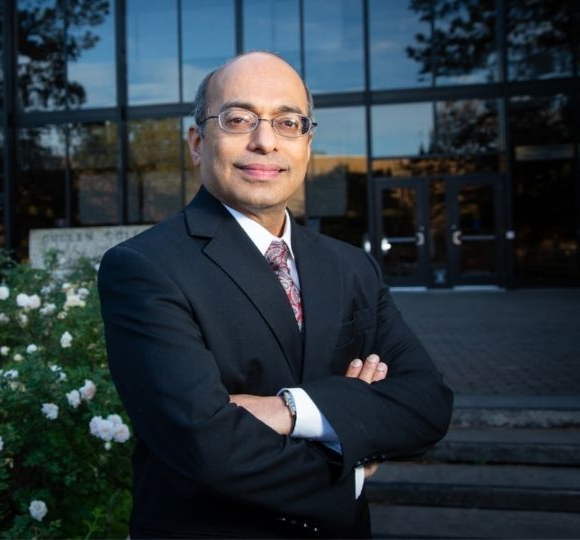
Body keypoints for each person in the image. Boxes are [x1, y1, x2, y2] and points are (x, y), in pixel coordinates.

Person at [97, 51, 453, 538]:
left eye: (288, 122)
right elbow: (207, 446)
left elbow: (427, 403)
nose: (265, 142)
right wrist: (348, 450)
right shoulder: (144, 268)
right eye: (239, 119)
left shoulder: (351, 266)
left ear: (307, 144)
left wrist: (290, 409)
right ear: (198, 142)